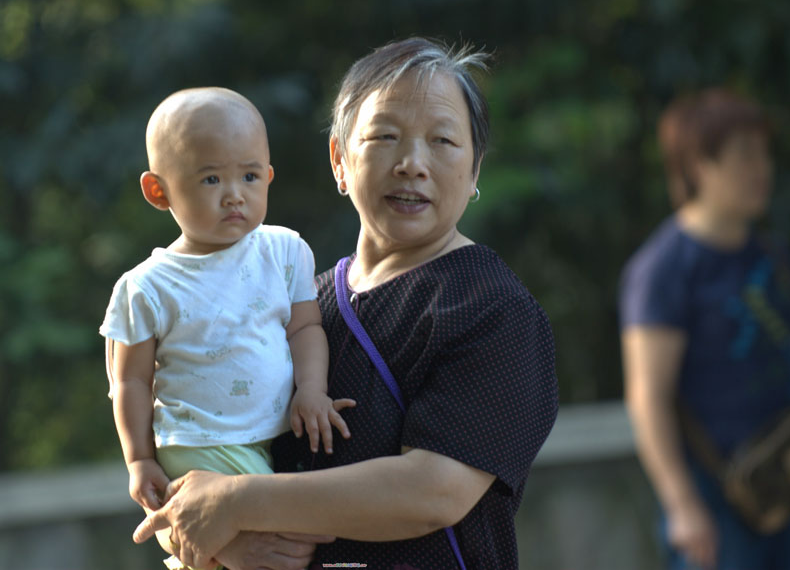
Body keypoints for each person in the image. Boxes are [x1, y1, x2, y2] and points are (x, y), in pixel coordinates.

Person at [131, 37, 559, 570]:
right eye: (385, 136)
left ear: (474, 171)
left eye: (443, 141)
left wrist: (235, 503)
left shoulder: (494, 311)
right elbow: (193, 457)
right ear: (339, 159)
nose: (412, 163)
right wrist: (221, 539)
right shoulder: (294, 307)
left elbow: (433, 492)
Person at [100, 87, 354, 567]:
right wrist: (139, 460)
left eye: (250, 176)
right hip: (200, 442)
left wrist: (312, 391)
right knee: (287, 542)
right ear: (159, 190)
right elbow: (129, 380)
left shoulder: (284, 252)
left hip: (267, 436)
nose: (235, 193)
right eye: (211, 178)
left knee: (249, 545)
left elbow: (305, 329)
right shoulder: (147, 287)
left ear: (269, 178)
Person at [619, 88, 790, 570]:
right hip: (714, 498)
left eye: (763, 153)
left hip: (789, 482)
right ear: (699, 166)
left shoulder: (774, 257)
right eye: (744, 156)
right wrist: (682, 507)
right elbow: (647, 398)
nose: (762, 169)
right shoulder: (664, 269)